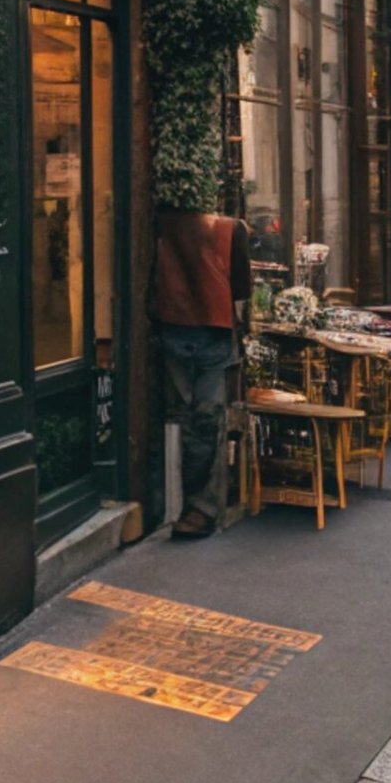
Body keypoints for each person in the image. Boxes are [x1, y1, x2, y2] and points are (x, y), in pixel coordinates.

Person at [154, 205, 252, 539]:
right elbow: (241, 291)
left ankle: (178, 504)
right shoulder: (230, 230)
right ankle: (201, 508)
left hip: (174, 327)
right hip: (214, 332)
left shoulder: (161, 222)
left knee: (179, 418)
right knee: (207, 421)